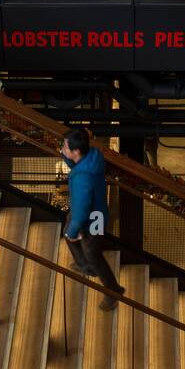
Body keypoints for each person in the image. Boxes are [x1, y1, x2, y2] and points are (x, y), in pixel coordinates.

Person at [61, 128, 125, 311]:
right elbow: (73, 161)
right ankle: (85, 266)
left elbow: (81, 212)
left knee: (93, 254)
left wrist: (75, 231)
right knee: (70, 235)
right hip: (92, 210)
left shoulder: (82, 177)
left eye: (65, 146)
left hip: (92, 218)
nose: (62, 148)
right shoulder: (93, 154)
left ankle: (114, 291)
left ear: (76, 152)